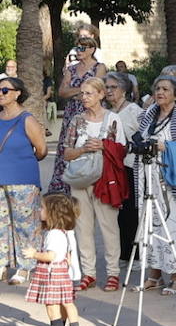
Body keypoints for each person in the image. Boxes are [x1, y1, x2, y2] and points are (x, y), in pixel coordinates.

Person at [62, 77, 125, 292]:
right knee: (83, 228)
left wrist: (104, 146)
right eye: (82, 93)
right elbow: (66, 152)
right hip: (79, 179)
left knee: (109, 227)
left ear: (100, 94)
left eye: (89, 93)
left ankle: (113, 273)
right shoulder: (76, 120)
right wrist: (84, 150)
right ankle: (88, 273)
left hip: (104, 179)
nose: (84, 97)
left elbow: (122, 151)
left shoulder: (112, 119)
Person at [135, 76, 176, 295]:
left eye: (165, 89)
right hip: (148, 178)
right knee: (150, 225)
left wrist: (164, 146)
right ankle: (154, 275)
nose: (160, 92)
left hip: (171, 180)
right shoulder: (150, 113)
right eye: (157, 88)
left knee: (173, 227)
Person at [24, 194, 85, 326]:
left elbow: (51, 256)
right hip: (56, 275)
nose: (40, 210)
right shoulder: (59, 232)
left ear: (53, 213)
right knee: (54, 309)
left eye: (43, 207)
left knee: (53, 310)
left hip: (53, 276)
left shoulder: (55, 235)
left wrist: (34, 254)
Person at [0, 76, 47, 286]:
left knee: (25, 224)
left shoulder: (27, 119)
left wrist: (21, 162)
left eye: (5, 91)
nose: (1, 94)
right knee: (2, 225)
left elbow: (42, 150)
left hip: (23, 180)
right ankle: (3, 264)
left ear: (18, 93)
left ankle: (25, 267)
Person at [48, 35, 107, 194]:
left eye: (82, 48)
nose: (78, 51)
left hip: (91, 113)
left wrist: (76, 92)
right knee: (67, 147)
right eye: (77, 48)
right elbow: (61, 91)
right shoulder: (71, 69)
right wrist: (81, 91)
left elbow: (95, 89)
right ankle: (63, 189)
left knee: (88, 147)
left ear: (91, 49)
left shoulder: (99, 67)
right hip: (71, 114)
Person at [103, 73, 142, 268]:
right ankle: (124, 253)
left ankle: (135, 255)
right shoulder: (106, 112)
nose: (109, 91)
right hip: (114, 168)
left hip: (132, 166)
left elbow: (142, 135)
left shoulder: (133, 110)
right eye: (107, 87)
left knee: (131, 211)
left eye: (113, 87)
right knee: (118, 211)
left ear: (124, 90)